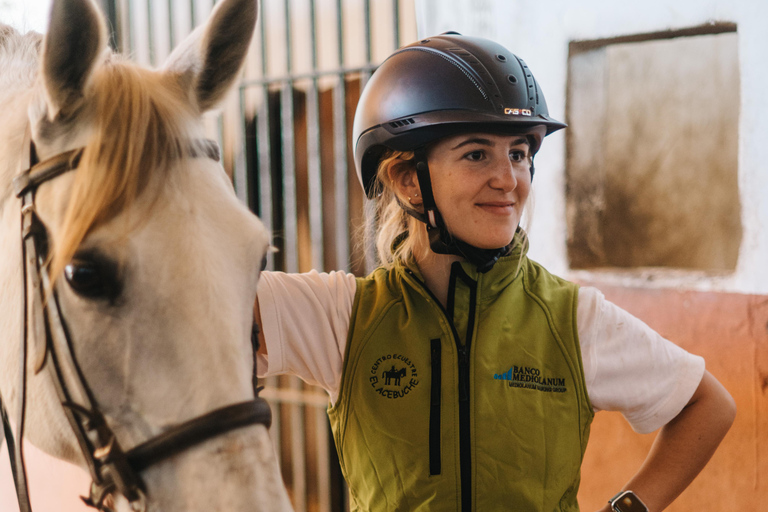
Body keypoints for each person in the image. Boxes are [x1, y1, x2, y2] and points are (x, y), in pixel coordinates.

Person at [254, 32, 735, 512]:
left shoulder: (572, 319)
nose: (508, 181)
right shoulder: (343, 316)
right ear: (407, 181)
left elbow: (708, 405)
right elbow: (197, 306)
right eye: (476, 153)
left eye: (519, 154)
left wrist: (627, 508)